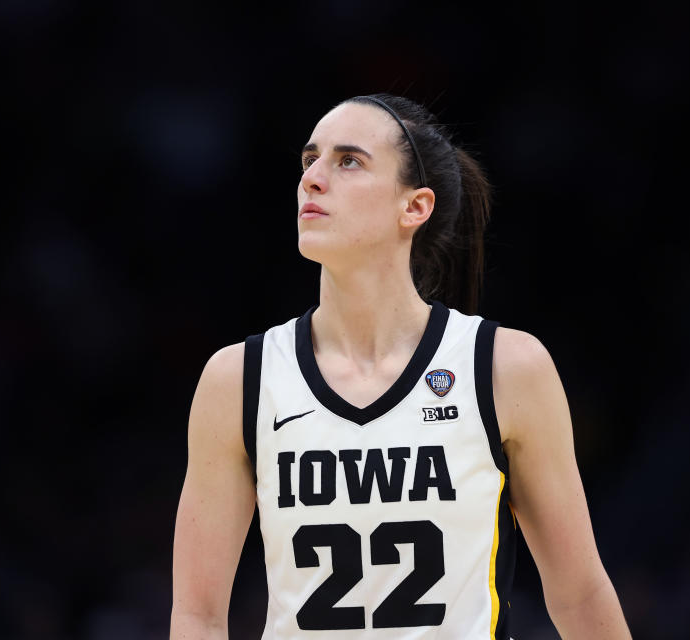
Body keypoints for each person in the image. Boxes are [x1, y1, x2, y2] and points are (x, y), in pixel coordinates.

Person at [170, 93, 631, 639]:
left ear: (414, 207)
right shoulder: (239, 379)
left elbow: (579, 594)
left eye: (348, 161)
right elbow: (198, 615)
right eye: (309, 159)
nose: (313, 178)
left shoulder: (506, 368)